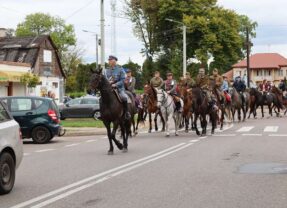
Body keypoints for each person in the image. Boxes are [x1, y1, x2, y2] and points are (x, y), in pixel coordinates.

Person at [105, 55, 131, 120]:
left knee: (124, 97)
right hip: (109, 89)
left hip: (119, 88)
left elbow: (123, 80)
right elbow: (106, 79)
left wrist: (116, 84)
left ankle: (126, 112)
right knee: (101, 98)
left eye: (110, 60)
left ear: (114, 61)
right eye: (109, 60)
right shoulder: (107, 70)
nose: (109, 61)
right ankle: (102, 113)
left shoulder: (120, 69)